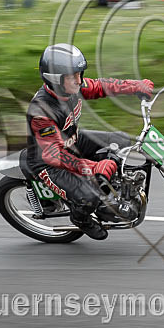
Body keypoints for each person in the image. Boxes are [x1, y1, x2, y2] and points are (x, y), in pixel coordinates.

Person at [26, 44, 154, 240]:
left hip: (73, 141)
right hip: (49, 162)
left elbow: (101, 86)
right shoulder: (41, 112)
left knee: (120, 139)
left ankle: (110, 188)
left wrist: (135, 86)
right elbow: (54, 156)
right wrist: (93, 167)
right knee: (89, 198)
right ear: (56, 80)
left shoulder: (72, 87)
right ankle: (81, 219)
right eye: (73, 76)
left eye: (80, 74)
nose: (80, 80)